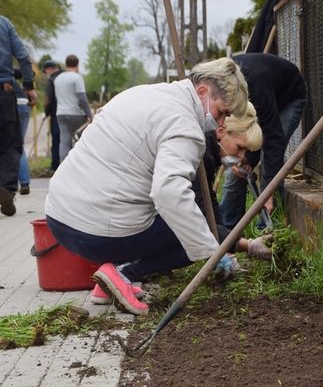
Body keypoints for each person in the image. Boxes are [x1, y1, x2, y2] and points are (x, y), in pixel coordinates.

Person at [45, 57, 249, 315]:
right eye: (222, 112)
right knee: (195, 230)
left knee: (180, 221)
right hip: (94, 232)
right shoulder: (184, 124)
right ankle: (123, 274)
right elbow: (169, 193)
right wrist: (212, 252)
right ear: (202, 91)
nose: (220, 124)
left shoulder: (143, 93)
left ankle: (107, 283)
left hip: (58, 217)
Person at [220, 53, 307, 229]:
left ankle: (268, 230)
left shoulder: (256, 86)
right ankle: (228, 232)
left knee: (269, 158)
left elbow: (273, 138)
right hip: (260, 102)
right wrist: (245, 161)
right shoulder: (222, 92)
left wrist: (268, 193)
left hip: (287, 99)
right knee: (236, 167)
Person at [193, 102, 274, 264]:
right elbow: (199, 218)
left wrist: (225, 247)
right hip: (140, 221)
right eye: (239, 147)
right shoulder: (200, 154)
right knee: (189, 243)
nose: (242, 156)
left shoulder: (211, 149)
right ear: (221, 132)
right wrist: (247, 245)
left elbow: (209, 200)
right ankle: (134, 268)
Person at [0, 15, 37, 216]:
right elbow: (23, 56)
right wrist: (29, 86)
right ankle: (6, 188)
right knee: (10, 143)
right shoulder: (4, 23)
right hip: (4, 89)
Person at [53, 54, 92, 162]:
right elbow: (82, 98)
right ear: (77, 64)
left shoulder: (57, 79)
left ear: (66, 64)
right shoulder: (77, 77)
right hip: (75, 113)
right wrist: (90, 115)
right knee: (83, 138)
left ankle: (63, 168)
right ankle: (82, 163)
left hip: (60, 113)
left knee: (64, 141)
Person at [13, 69, 31, 194]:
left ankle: (9, 186)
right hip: (24, 104)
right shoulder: (14, 81)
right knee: (19, 145)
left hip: (9, 104)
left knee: (6, 146)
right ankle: (24, 183)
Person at [43, 60, 63, 172]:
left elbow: (48, 99)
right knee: (66, 139)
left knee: (56, 140)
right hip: (72, 112)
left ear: (49, 69)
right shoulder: (66, 76)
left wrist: (46, 112)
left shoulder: (52, 80)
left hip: (56, 113)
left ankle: (55, 165)